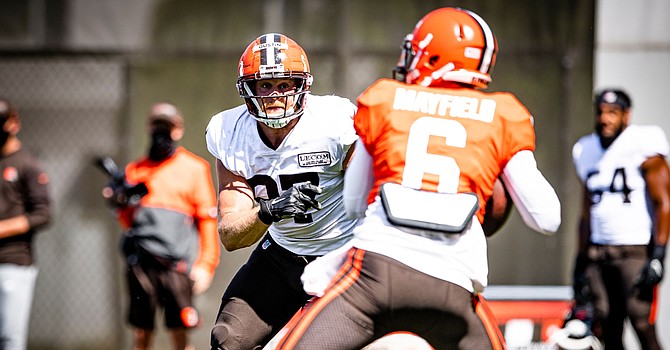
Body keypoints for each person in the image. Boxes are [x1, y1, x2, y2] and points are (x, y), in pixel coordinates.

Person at [272, 7, 562, 349]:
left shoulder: (385, 99)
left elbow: (353, 204)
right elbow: (548, 219)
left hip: (373, 276)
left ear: (433, 53)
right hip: (453, 286)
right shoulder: (503, 114)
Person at [205, 33, 360, 349]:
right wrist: (268, 210)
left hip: (343, 254)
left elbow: (368, 195)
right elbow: (232, 235)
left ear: (302, 86)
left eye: (284, 85)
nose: (275, 95)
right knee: (229, 340)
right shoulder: (230, 133)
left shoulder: (333, 123)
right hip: (284, 253)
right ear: (248, 90)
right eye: (265, 86)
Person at [105, 102, 220, 350]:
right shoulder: (135, 170)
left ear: (178, 130)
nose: (161, 132)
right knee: (142, 333)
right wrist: (120, 203)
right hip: (141, 264)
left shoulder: (195, 168)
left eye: (167, 127)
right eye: (157, 125)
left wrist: (206, 265)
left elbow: (207, 219)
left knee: (179, 333)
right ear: (149, 127)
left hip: (176, 265)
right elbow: (129, 223)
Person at [570, 88, 668, 350]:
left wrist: (658, 254)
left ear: (627, 115)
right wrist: (580, 261)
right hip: (598, 252)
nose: (605, 119)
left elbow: (663, 202)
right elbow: (586, 210)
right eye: (601, 112)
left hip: (634, 249)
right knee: (606, 323)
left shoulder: (644, 142)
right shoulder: (585, 149)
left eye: (612, 113)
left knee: (641, 320)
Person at [0, 98, 52, 350]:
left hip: (13, 262)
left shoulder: (27, 164)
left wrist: (3, 228)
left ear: (13, 123)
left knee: (10, 338)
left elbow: (43, 214)